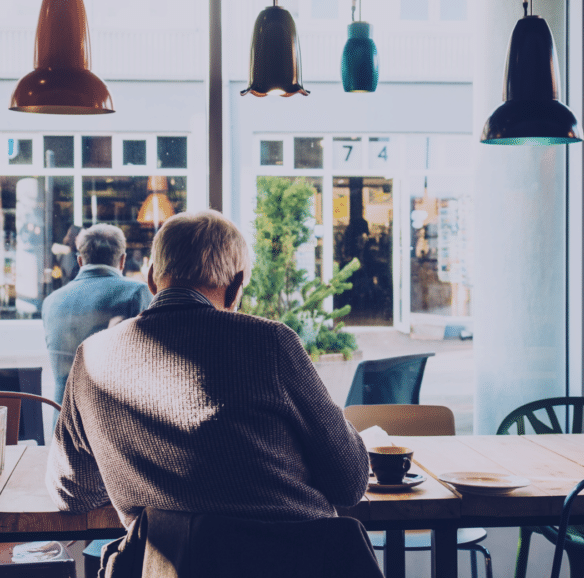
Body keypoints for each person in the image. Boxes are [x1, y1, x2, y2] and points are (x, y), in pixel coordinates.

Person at [46, 210, 369, 533]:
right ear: (236, 286)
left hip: (165, 566)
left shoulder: (91, 357)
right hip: (295, 563)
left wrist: (132, 470)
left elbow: (71, 492)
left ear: (151, 278)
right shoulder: (270, 343)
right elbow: (349, 482)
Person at [42, 223, 153, 411]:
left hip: (62, 422)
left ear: (79, 261)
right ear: (123, 260)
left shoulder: (51, 301)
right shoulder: (137, 293)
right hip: (114, 423)